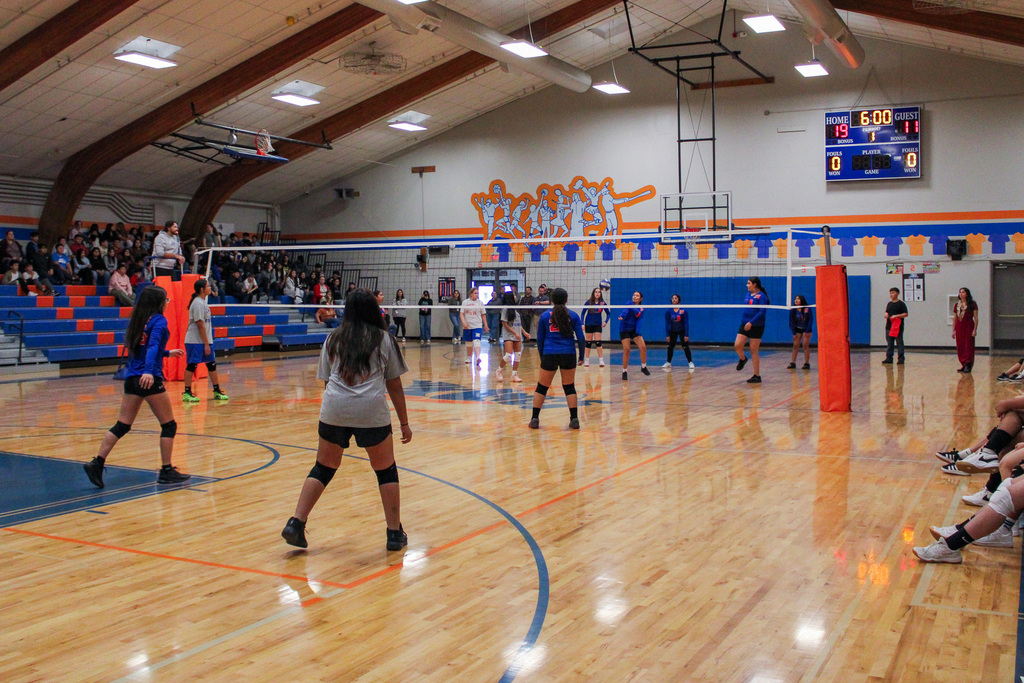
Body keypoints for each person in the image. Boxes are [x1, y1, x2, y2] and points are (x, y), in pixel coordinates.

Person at [281, 288, 413, 551]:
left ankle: (296, 522)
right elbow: (394, 385)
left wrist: (339, 407)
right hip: (370, 411)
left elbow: (327, 381)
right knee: (386, 470)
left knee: (323, 467)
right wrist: (404, 422)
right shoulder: (384, 339)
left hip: (334, 409)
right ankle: (394, 533)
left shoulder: (333, 338)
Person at [82, 286, 190, 488]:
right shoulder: (159, 321)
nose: (168, 302)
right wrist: (149, 371)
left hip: (132, 377)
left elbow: (142, 348)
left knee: (122, 425)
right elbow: (152, 347)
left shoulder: (138, 320)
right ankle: (166, 470)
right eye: (166, 299)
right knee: (169, 425)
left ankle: (97, 463)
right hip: (147, 378)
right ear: (159, 302)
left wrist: (167, 354)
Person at [531, 288, 586, 429]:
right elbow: (580, 338)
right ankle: (574, 419)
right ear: (566, 300)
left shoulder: (544, 316)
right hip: (568, 354)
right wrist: (581, 356)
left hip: (550, 353)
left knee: (542, 387)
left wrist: (542, 356)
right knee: (569, 387)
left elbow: (540, 340)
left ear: (552, 301)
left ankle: (535, 419)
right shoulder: (573, 316)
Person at [182, 279, 229, 403]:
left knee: (211, 365)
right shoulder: (197, 303)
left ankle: (217, 391)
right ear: (202, 289)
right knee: (192, 365)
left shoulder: (203, 302)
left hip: (204, 340)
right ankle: (187, 392)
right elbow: (200, 324)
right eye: (208, 286)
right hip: (195, 341)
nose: (210, 288)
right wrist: (206, 343)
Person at [735, 277, 769, 384]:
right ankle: (743, 359)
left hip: (756, 326)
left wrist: (751, 323)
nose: (747, 285)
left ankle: (756, 375)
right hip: (745, 324)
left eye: (749, 283)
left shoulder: (762, 296)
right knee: (737, 345)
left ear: (754, 284)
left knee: (753, 350)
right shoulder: (748, 294)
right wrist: (746, 322)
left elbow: (762, 312)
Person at [496, 291, 529, 382]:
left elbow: (518, 324)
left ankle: (514, 374)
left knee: (518, 355)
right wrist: (515, 333)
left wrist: (524, 332)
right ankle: (499, 370)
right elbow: (504, 324)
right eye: (514, 295)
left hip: (517, 335)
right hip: (509, 335)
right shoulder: (505, 309)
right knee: (508, 355)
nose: (515, 296)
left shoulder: (514, 309)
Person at [618, 291, 650, 381]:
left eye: (637, 296)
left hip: (633, 330)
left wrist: (638, 331)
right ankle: (624, 371)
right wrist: (622, 316)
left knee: (643, 347)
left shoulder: (641, 309)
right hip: (624, 329)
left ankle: (643, 367)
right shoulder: (629, 303)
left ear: (641, 298)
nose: (635, 297)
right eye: (634, 295)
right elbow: (625, 311)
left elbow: (639, 320)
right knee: (627, 350)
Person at [581, 287, 610, 368]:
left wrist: (605, 321)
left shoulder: (603, 303)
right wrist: (582, 323)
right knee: (588, 343)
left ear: (600, 294)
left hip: (597, 324)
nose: (597, 293)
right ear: (593, 293)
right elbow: (583, 313)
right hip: (588, 324)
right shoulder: (589, 302)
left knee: (598, 342)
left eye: (599, 292)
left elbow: (608, 313)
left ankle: (601, 360)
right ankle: (586, 360)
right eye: (596, 292)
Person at [664, 294, 694, 370]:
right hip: (672, 331)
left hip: (682, 330)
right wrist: (667, 335)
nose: (674, 299)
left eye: (675, 298)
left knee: (685, 346)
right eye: (673, 298)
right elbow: (667, 323)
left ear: (679, 300)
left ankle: (690, 362)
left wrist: (686, 334)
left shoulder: (683, 310)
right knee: (670, 346)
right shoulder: (668, 311)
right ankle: (668, 362)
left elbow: (686, 323)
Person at [460, 287, 489, 365]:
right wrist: (464, 323)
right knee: (469, 343)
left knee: (477, 341)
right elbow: (461, 314)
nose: (477, 295)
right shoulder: (465, 302)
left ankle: (477, 357)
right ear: (471, 294)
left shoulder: (480, 303)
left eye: (477, 293)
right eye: (475, 293)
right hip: (467, 326)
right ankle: (469, 357)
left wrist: (486, 325)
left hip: (477, 326)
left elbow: (483, 315)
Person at [953, 287, 978, 373]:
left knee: (968, 345)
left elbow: (976, 318)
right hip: (959, 327)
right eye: (960, 292)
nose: (961, 294)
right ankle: (963, 363)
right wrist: (953, 330)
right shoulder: (957, 305)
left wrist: (975, 330)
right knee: (960, 345)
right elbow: (955, 318)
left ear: (967, 293)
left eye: (963, 292)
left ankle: (968, 363)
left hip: (968, 326)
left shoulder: (972, 304)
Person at [882, 287, 908, 365]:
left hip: (897, 327)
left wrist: (897, 316)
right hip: (889, 326)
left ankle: (901, 359)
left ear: (897, 293)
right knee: (890, 343)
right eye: (890, 293)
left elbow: (905, 314)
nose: (891, 295)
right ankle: (889, 358)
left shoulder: (901, 304)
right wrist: (886, 314)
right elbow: (887, 312)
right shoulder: (889, 304)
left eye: (893, 293)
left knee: (899, 343)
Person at [788, 295, 814, 370]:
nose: (796, 300)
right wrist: (793, 333)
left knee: (805, 345)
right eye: (795, 299)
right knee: (795, 346)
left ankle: (807, 363)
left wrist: (807, 331)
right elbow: (791, 321)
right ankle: (793, 362)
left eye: (798, 299)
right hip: (797, 329)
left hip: (806, 329)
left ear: (802, 300)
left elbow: (810, 319)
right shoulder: (793, 309)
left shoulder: (807, 308)